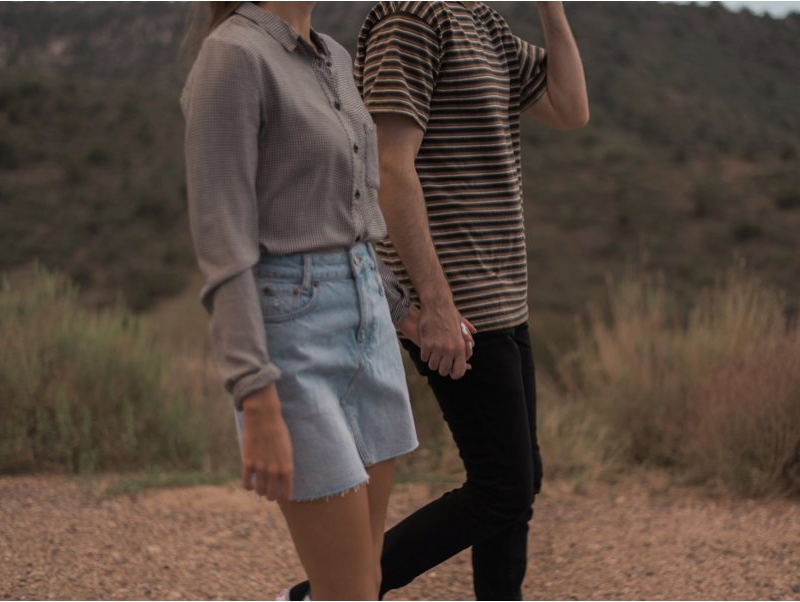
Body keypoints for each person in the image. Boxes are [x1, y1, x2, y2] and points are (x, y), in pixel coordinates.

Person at [289, 1, 588, 600]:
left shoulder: (484, 20)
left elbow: (570, 109)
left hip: (504, 296)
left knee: (517, 484)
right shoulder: (412, 17)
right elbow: (391, 169)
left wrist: (552, 10)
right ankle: (324, 595)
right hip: (458, 302)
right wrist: (436, 306)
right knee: (503, 486)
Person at [181, 2, 472, 599]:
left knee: (364, 578)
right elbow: (223, 245)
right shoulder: (232, 56)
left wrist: (403, 315)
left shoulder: (334, 55)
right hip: (293, 335)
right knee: (348, 591)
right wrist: (255, 397)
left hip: (368, 323)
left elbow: (351, 219)